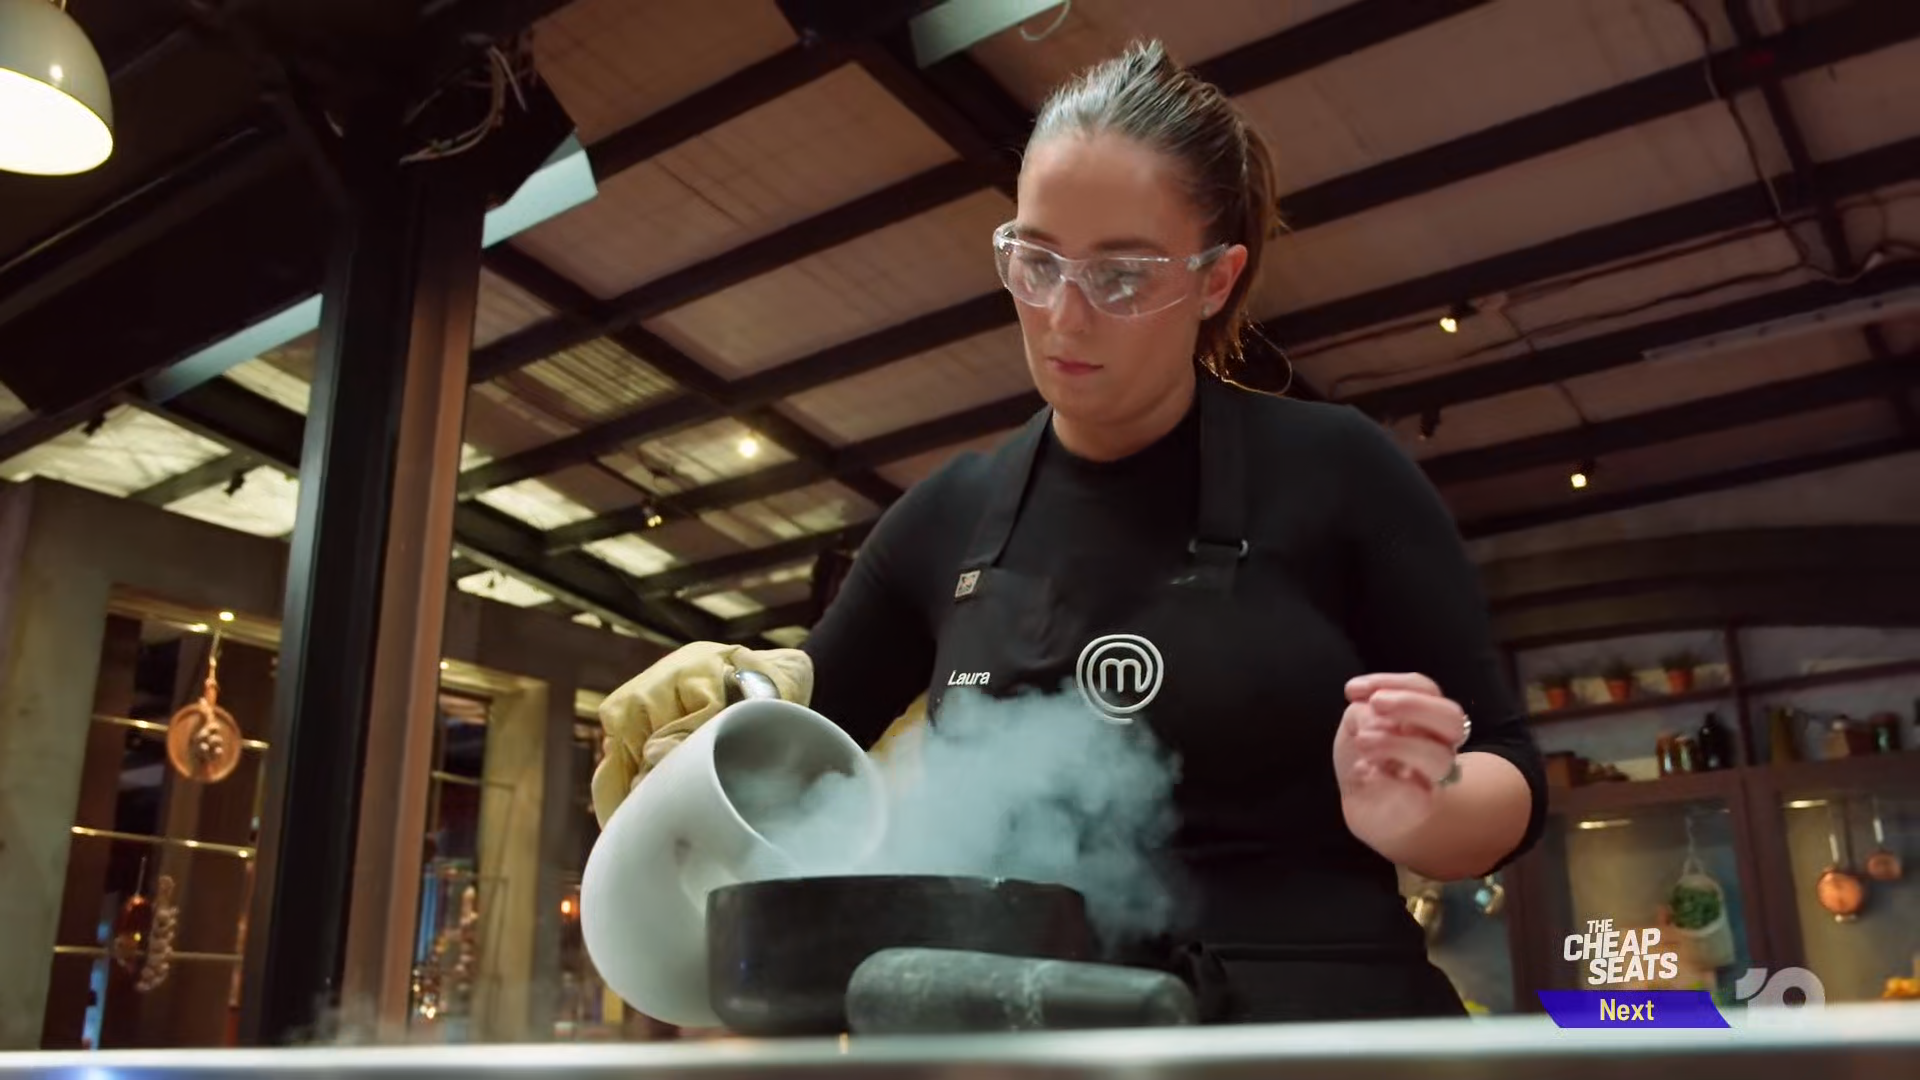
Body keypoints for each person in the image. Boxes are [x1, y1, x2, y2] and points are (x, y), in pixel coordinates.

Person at [593, 39, 1545, 1026]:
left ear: (1216, 280)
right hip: (1032, 1043)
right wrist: (716, 719)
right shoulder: (948, 518)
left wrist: (1424, 809)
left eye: (1121, 276)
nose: (1064, 316)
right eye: (1037, 262)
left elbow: (1511, 773)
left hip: (1316, 1041)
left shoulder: (1339, 471)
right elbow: (791, 771)